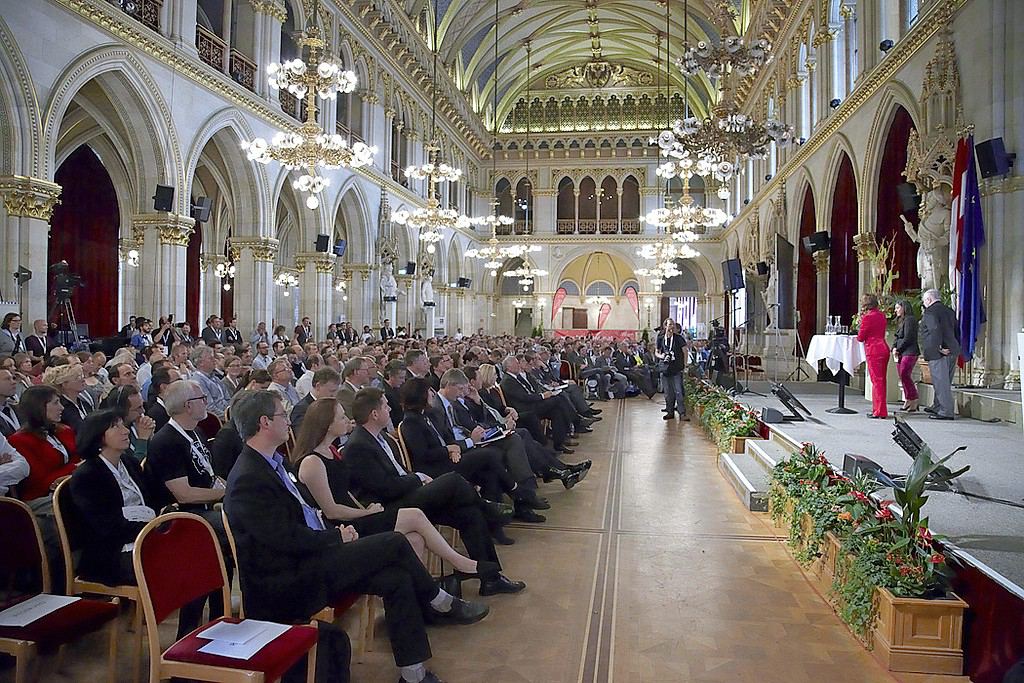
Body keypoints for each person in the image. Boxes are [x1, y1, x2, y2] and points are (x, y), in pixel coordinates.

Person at [225, 390, 487, 683]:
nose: (288, 421)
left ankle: (413, 673)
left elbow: (305, 515)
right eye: (282, 416)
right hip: (287, 578)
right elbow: (284, 540)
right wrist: (335, 538)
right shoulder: (249, 476)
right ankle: (437, 598)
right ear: (265, 423)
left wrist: (334, 532)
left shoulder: (274, 463)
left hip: (311, 556)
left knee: (397, 578)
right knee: (394, 541)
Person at [343, 387, 525, 591]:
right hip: (392, 507)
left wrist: (416, 480)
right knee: (453, 481)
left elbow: (398, 472)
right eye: (385, 405)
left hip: (407, 493)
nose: (390, 408)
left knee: (469, 513)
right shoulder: (359, 446)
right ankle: (487, 508)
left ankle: (491, 578)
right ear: (374, 414)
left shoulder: (379, 437)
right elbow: (384, 488)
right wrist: (418, 478)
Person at [291, 397, 493, 579]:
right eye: (342, 417)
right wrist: (365, 513)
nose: (347, 420)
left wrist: (365, 511)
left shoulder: (331, 450)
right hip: (345, 527)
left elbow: (345, 494)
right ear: (326, 424)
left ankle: (427, 601)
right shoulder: (312, 462)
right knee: (426, 504)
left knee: (415, 539)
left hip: (359, 515)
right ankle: (461, 563)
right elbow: (331, 510)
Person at [67, 409, 155, 586]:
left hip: (145, 533)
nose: (126, 431)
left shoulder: (129, 463)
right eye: (115, 427)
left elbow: (150, 498)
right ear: (99, 436)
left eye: (123, 425)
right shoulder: (87, 475)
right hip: (111, 551)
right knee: (177, 558)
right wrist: (151, 528)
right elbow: (105, 526)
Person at [8, 385, 80, 501]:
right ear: (39, 407)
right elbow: (40, 484)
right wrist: (76, 468)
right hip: (43, 499)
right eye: (56, 403)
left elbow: (78, 458)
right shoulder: (19, 441)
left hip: (71, 489)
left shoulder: (64, 431)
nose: (61, 408)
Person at [919, 288, 960, 420]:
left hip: (939, 352)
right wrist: (954, 346)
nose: (924, 303)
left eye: (924, 301)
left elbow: (934, 329)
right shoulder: (949, 310)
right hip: (952, 350)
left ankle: (946, 411)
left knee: (940, 382)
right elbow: (956, 330)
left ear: (929, 299)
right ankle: (937, 405)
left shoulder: (930, 312)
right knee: (944, 381)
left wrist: (939, 347)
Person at [100, 384, 156, 462]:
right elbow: (135, 467)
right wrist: (143, 439)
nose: (143, 411)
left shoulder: (135, 425)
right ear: (121, 411)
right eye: (138, 408)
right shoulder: (113, 436)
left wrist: (151, 436)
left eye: (142, 406)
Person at [857, 293, 891, 419]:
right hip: (883, 347)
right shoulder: (882, 315)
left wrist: (861, 323)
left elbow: (861, 337)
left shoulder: (868, 317)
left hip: (874, 350)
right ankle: (879, 409)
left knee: (876, 381)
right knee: (881, 381)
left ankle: (879, 411)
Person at [42, 364, 91, 433]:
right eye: (77, 378)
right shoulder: (61, 408)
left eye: (81, 376)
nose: (83, 380)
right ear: (65, 385)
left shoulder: (84, 403)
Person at [655, 318, 688, 420]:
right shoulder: (660, 338)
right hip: (665, 368)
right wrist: (662, 356)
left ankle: (682, 413)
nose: (671, 327)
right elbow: (656, 352)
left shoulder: (678, 338)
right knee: (667, 392)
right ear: (665, 326)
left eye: (673, 325)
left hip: (676, 367)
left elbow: (685, 351)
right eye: (669, 325)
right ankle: (670, 412)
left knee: (678, 391)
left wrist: (685, 364)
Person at [291, 366, 341, 432]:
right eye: (332, 391)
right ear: (318, 386)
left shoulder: (330, 404)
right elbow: (303, 438)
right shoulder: (301, 409)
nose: (334, 396)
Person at [892, 299, 921, 413]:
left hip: (909, 351)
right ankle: (909, 399)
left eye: (898, 308)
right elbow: (897, 336)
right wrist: (894, 347)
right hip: (901, 352)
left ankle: (913, 399)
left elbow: (908, 337)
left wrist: (898, 348)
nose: (896, 310)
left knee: (905, 374)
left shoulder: (910, 320)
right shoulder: (901, 320)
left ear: (904, 308)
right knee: (902, 376)